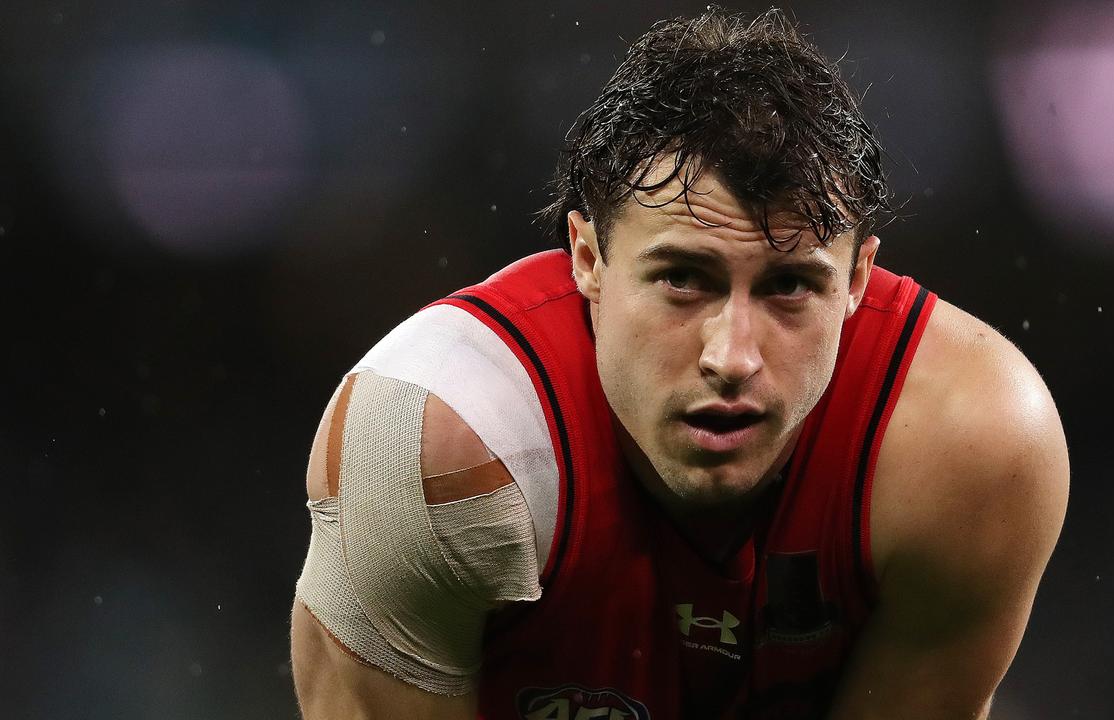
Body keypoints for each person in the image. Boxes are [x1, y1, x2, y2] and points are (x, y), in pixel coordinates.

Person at [289, 8, 1069, 720]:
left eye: (790, 286)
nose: (732, 358)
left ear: (859, 282)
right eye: (682, 280)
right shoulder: (436, 444)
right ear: (588, 258)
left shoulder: (973, 447)